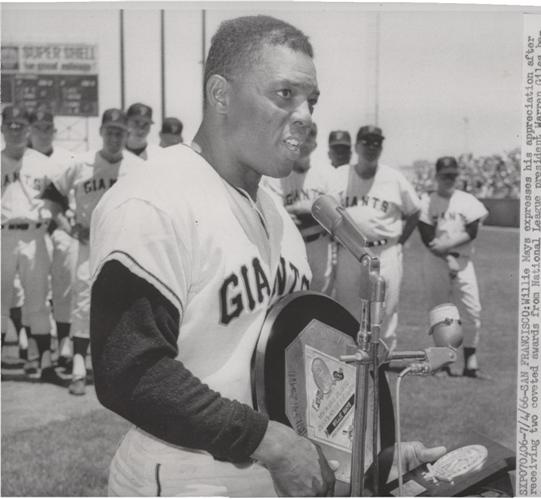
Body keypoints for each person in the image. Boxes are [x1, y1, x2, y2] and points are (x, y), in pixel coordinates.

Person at [88, 15, 445, 497]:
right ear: (220, 95)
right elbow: (129, 370)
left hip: (275, 471)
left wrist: (366, 461)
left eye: (311, 101)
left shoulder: (277, 213)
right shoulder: (153, 198)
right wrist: (267, 442)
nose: (306, 115)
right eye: (285, 95)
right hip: (183, 474)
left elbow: (295, 373)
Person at [41, 108, 144, 395]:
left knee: (125, 305)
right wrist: (67, 225)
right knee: (83, 301)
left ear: (127, 134)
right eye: (110, 131)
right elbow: (51, 197)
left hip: (125, 245)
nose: (114, 137)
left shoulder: (138, 167)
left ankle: (120, 370)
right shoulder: (81, 162)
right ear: (101, 132)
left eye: (120, 132)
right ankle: (77, 368)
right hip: (88, 243)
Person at [332, 125, 421, 350]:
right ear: (356, 146)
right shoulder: (341, 175)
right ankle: (352, 371)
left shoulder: (394, 178)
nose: (371, 147)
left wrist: (399, 242)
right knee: (346, 311)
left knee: (385, 312)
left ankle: (381, 372)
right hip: (350, 252)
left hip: (385, 252)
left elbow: (414, 211)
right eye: (366, 141)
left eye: (377, 142)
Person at [1, 105, 62, 384]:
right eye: (9, 124)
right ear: (2, 128)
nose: (15, 129)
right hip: (2, 235)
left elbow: (61, 195)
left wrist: (49, 211)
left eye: (20, 125)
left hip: (35, 235)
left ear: (28, 130)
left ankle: (46, 365)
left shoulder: (42, 162)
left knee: (38, 302)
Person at [417, 156, 489, 378]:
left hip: (464, 261)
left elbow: (472, 230)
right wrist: (446, 256)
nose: (449, 179)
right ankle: (442, 363)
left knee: (471, 310)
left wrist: (447, 246)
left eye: (453, 175)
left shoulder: (467, 200)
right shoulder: (427, 202)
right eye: (445, 175)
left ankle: (470, 361)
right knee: (439, 311)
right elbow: (427, 235)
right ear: (437, 176)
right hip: (436, 261)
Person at [263, 122, 339, 294]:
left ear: (315, 144)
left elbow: (333, 214)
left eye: (309, 136)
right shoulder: (276, 173)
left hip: (320, 247)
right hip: (289, 248)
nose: (304, 141)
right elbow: (277, 218)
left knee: (320, 302)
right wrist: (315, 210)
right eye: (299, 135)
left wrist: (296, 209)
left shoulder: (326, 173)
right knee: (290, 302)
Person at [29, 108, 78, 369]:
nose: (44, 133)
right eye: (38, 127)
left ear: (55, 131)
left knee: (63, 290)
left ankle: (63, 344)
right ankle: (37, 350)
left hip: (58, 229)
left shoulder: (67, 158)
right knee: (34, 294)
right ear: (30, 130)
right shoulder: (20, 157)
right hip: (29, 233)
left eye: (48, 128)